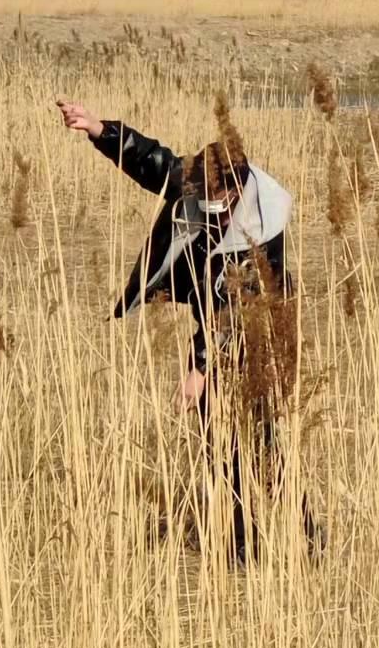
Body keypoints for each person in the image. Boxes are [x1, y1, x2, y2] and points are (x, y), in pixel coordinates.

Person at [56, 98, 312, 562]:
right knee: (219, 437)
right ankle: (240, 539)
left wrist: (200, 367)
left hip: (258, 328)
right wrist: (98, 129)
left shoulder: (264, 227)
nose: (207, 208)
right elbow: (152, 163)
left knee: (261, 436)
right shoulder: (197, 176)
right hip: (214, 322)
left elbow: (239, 313)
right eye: (203, 197)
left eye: (217, 202)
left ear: (237, 193)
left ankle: (303, 533)